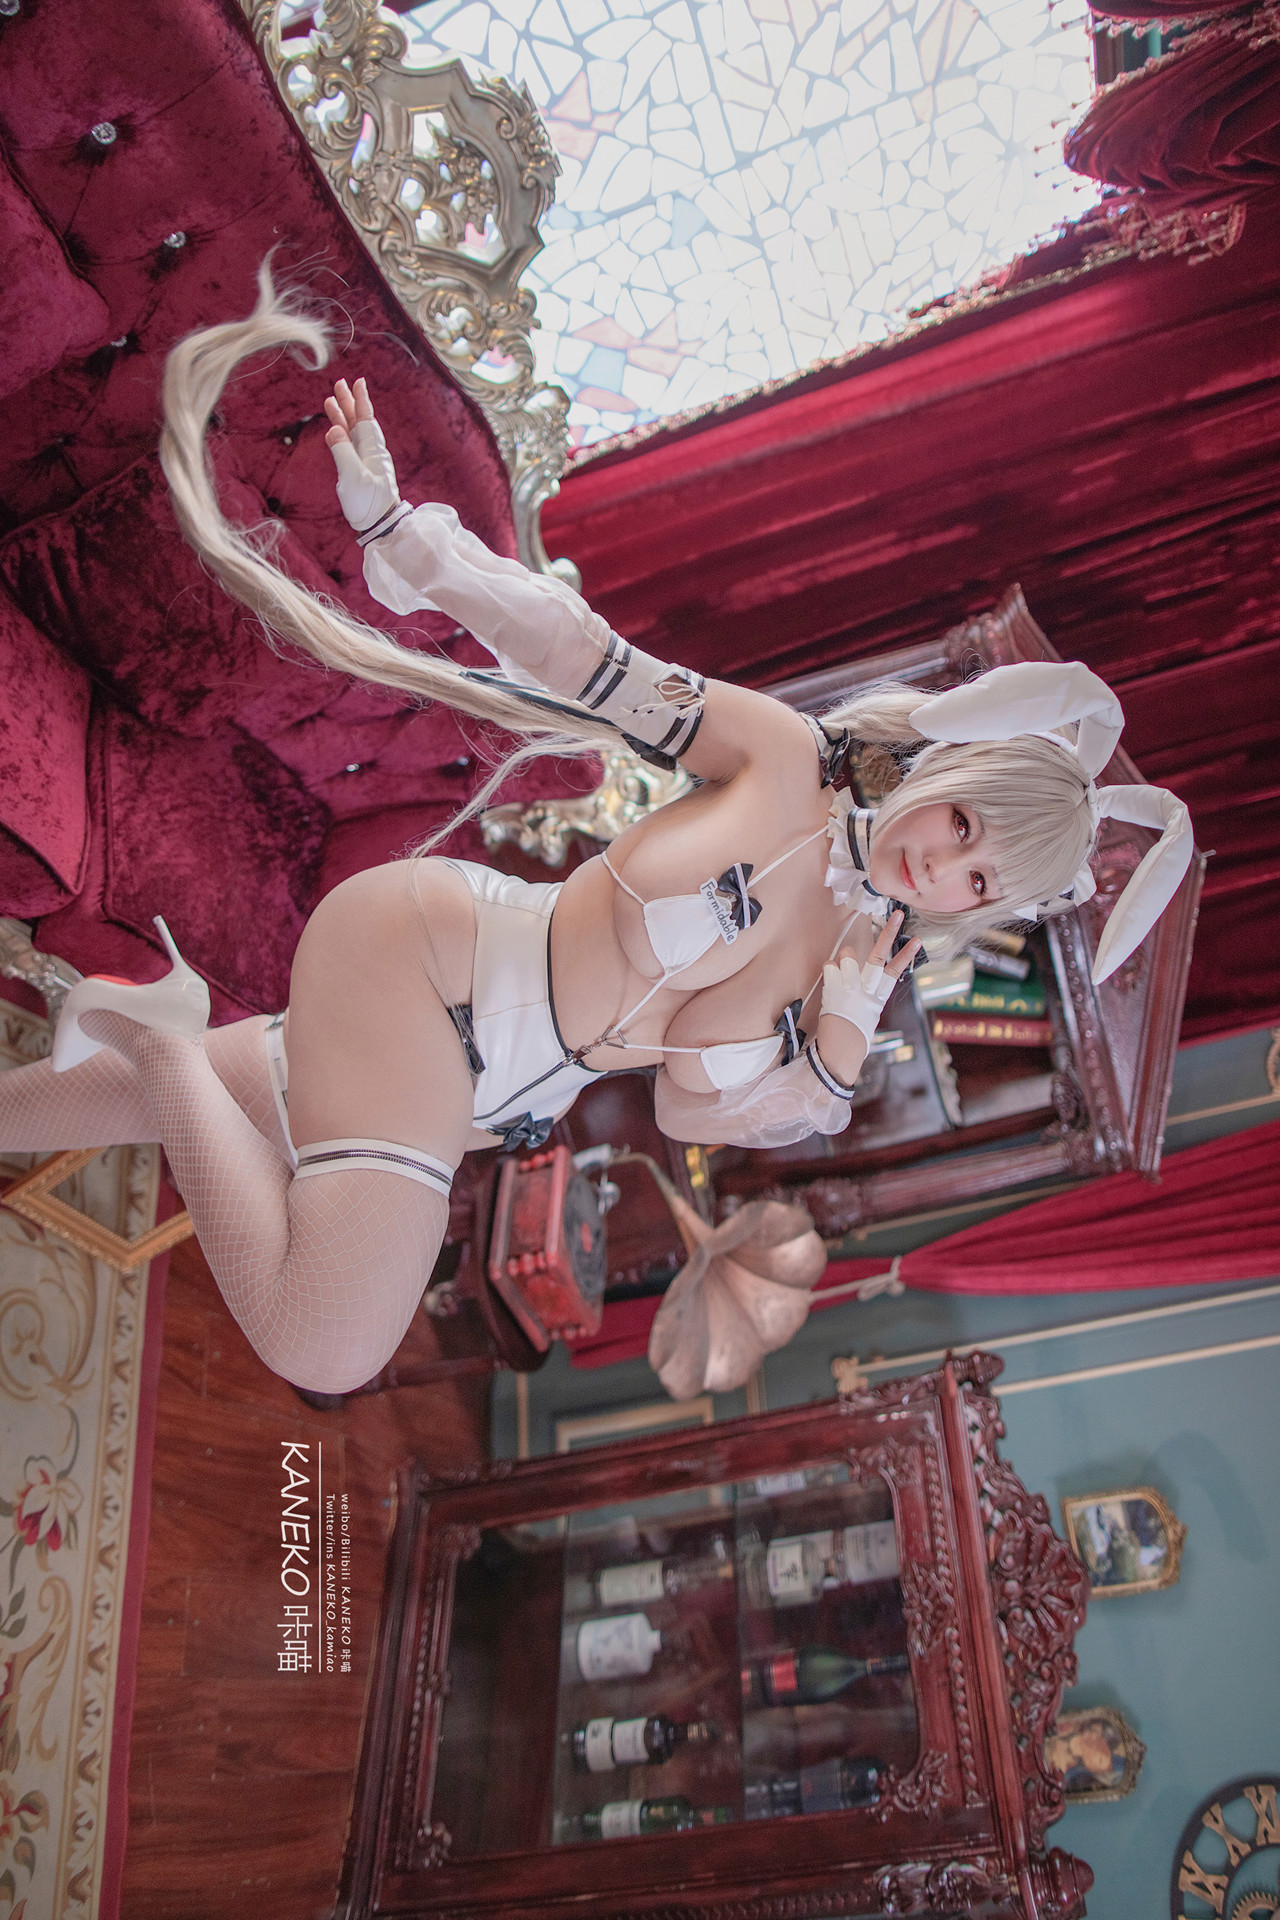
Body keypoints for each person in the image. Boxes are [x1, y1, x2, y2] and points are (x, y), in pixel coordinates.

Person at [0, 270, 1193, 1393]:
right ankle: (161, 1032)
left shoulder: (845, 959)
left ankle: (139, 1065)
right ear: (950, 763)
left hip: (471, 1080)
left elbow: (689, 1109)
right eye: (962, 821)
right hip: (430, 971)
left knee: (99, 1109)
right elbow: (589, 663)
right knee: (329, 1344)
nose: (937, 864)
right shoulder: (781, 755)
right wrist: (406, 539)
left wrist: (835, 1041)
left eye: (975, 881)